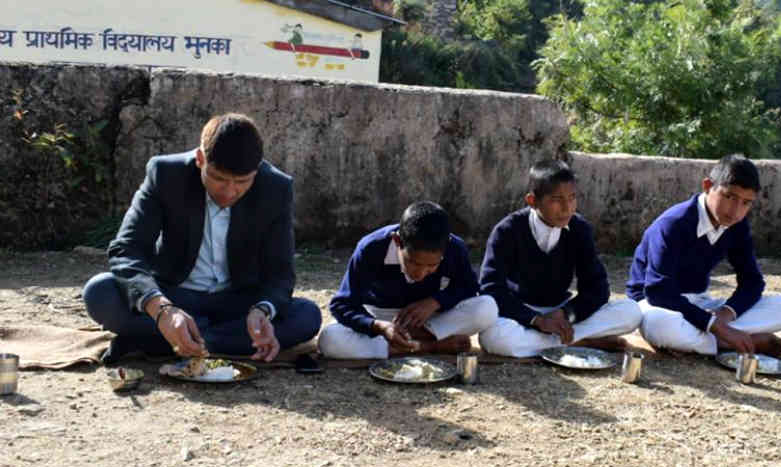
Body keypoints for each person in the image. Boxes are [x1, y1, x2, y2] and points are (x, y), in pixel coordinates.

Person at [83, 113, 322, 364]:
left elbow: (281, 272)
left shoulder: (276, 187)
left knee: (307, 316)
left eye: (242, 182)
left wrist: (262, 310)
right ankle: (197, 337)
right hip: (174, 294)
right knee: (100, 292)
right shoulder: (165, 174)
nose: (230, 192)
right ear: (200, 160)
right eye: (219, 179)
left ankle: (163, 340)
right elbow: (127, 250)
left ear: (257, 169)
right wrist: (162, 309)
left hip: (238, 303)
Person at [626, 154, 781, 356]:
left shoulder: (737, 226)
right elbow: (658, 291)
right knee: (659, 326)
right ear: (708, 186)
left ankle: (703, 341)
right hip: (656, 303)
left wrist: (724, 316)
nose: (735, 211)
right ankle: (730, 343)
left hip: (700, 303)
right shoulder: (674, 224)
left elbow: (752, 282)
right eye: (729, 197)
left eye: (746, 203)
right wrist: (714, 325)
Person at [478, 159, 641, 357]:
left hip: (561, 311)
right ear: (532, 201)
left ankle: (552, 341)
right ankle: (580, 340)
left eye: (572, 198)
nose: (567, 208)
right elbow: (491, 288)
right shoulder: (507, 230)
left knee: (630, 311)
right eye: (557, 200)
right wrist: (537, 320)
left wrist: (565, 314)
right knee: (492, 337)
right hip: (522, 312)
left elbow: (597, 288)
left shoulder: (579, 229)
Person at [320, 201, 497, 359]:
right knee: (330, 340)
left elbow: (468, 287)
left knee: (487, 307)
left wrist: (435, 302)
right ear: (397, 241)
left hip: (429, 320)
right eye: (413, 263)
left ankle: (408, 340)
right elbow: (342, 304)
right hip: (380, 317)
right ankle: (430, 346)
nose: (420, 274)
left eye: (432, 266)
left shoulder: (454, 248)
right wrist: (378, 326)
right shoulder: (371, 248)